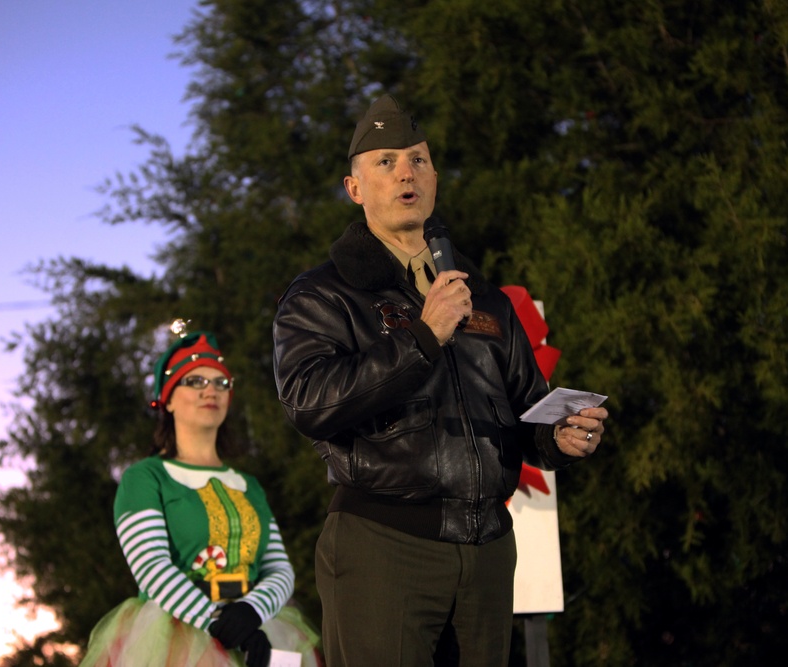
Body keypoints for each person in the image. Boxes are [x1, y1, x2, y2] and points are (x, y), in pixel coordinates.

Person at [272, 95, 608, 666]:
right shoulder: (324, 294)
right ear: (354, 189)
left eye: (419, 160)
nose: (407, 172)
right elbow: (309, 401)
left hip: (487, 552)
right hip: (385, 546)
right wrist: (422, 339)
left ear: (434, 180)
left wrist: (559, 436)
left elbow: (525, 410)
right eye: (386, 161)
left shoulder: (485, 299)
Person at [81, 324, 321, 667]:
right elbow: (151, 567)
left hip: (261, 625)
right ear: (167, 399)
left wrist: (252, 613)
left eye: (221, 382)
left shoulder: (247, 484)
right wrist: (218, 622)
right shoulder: (145, 478)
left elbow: (279, 568)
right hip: (175, 637)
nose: (211, 390)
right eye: (195, 381)